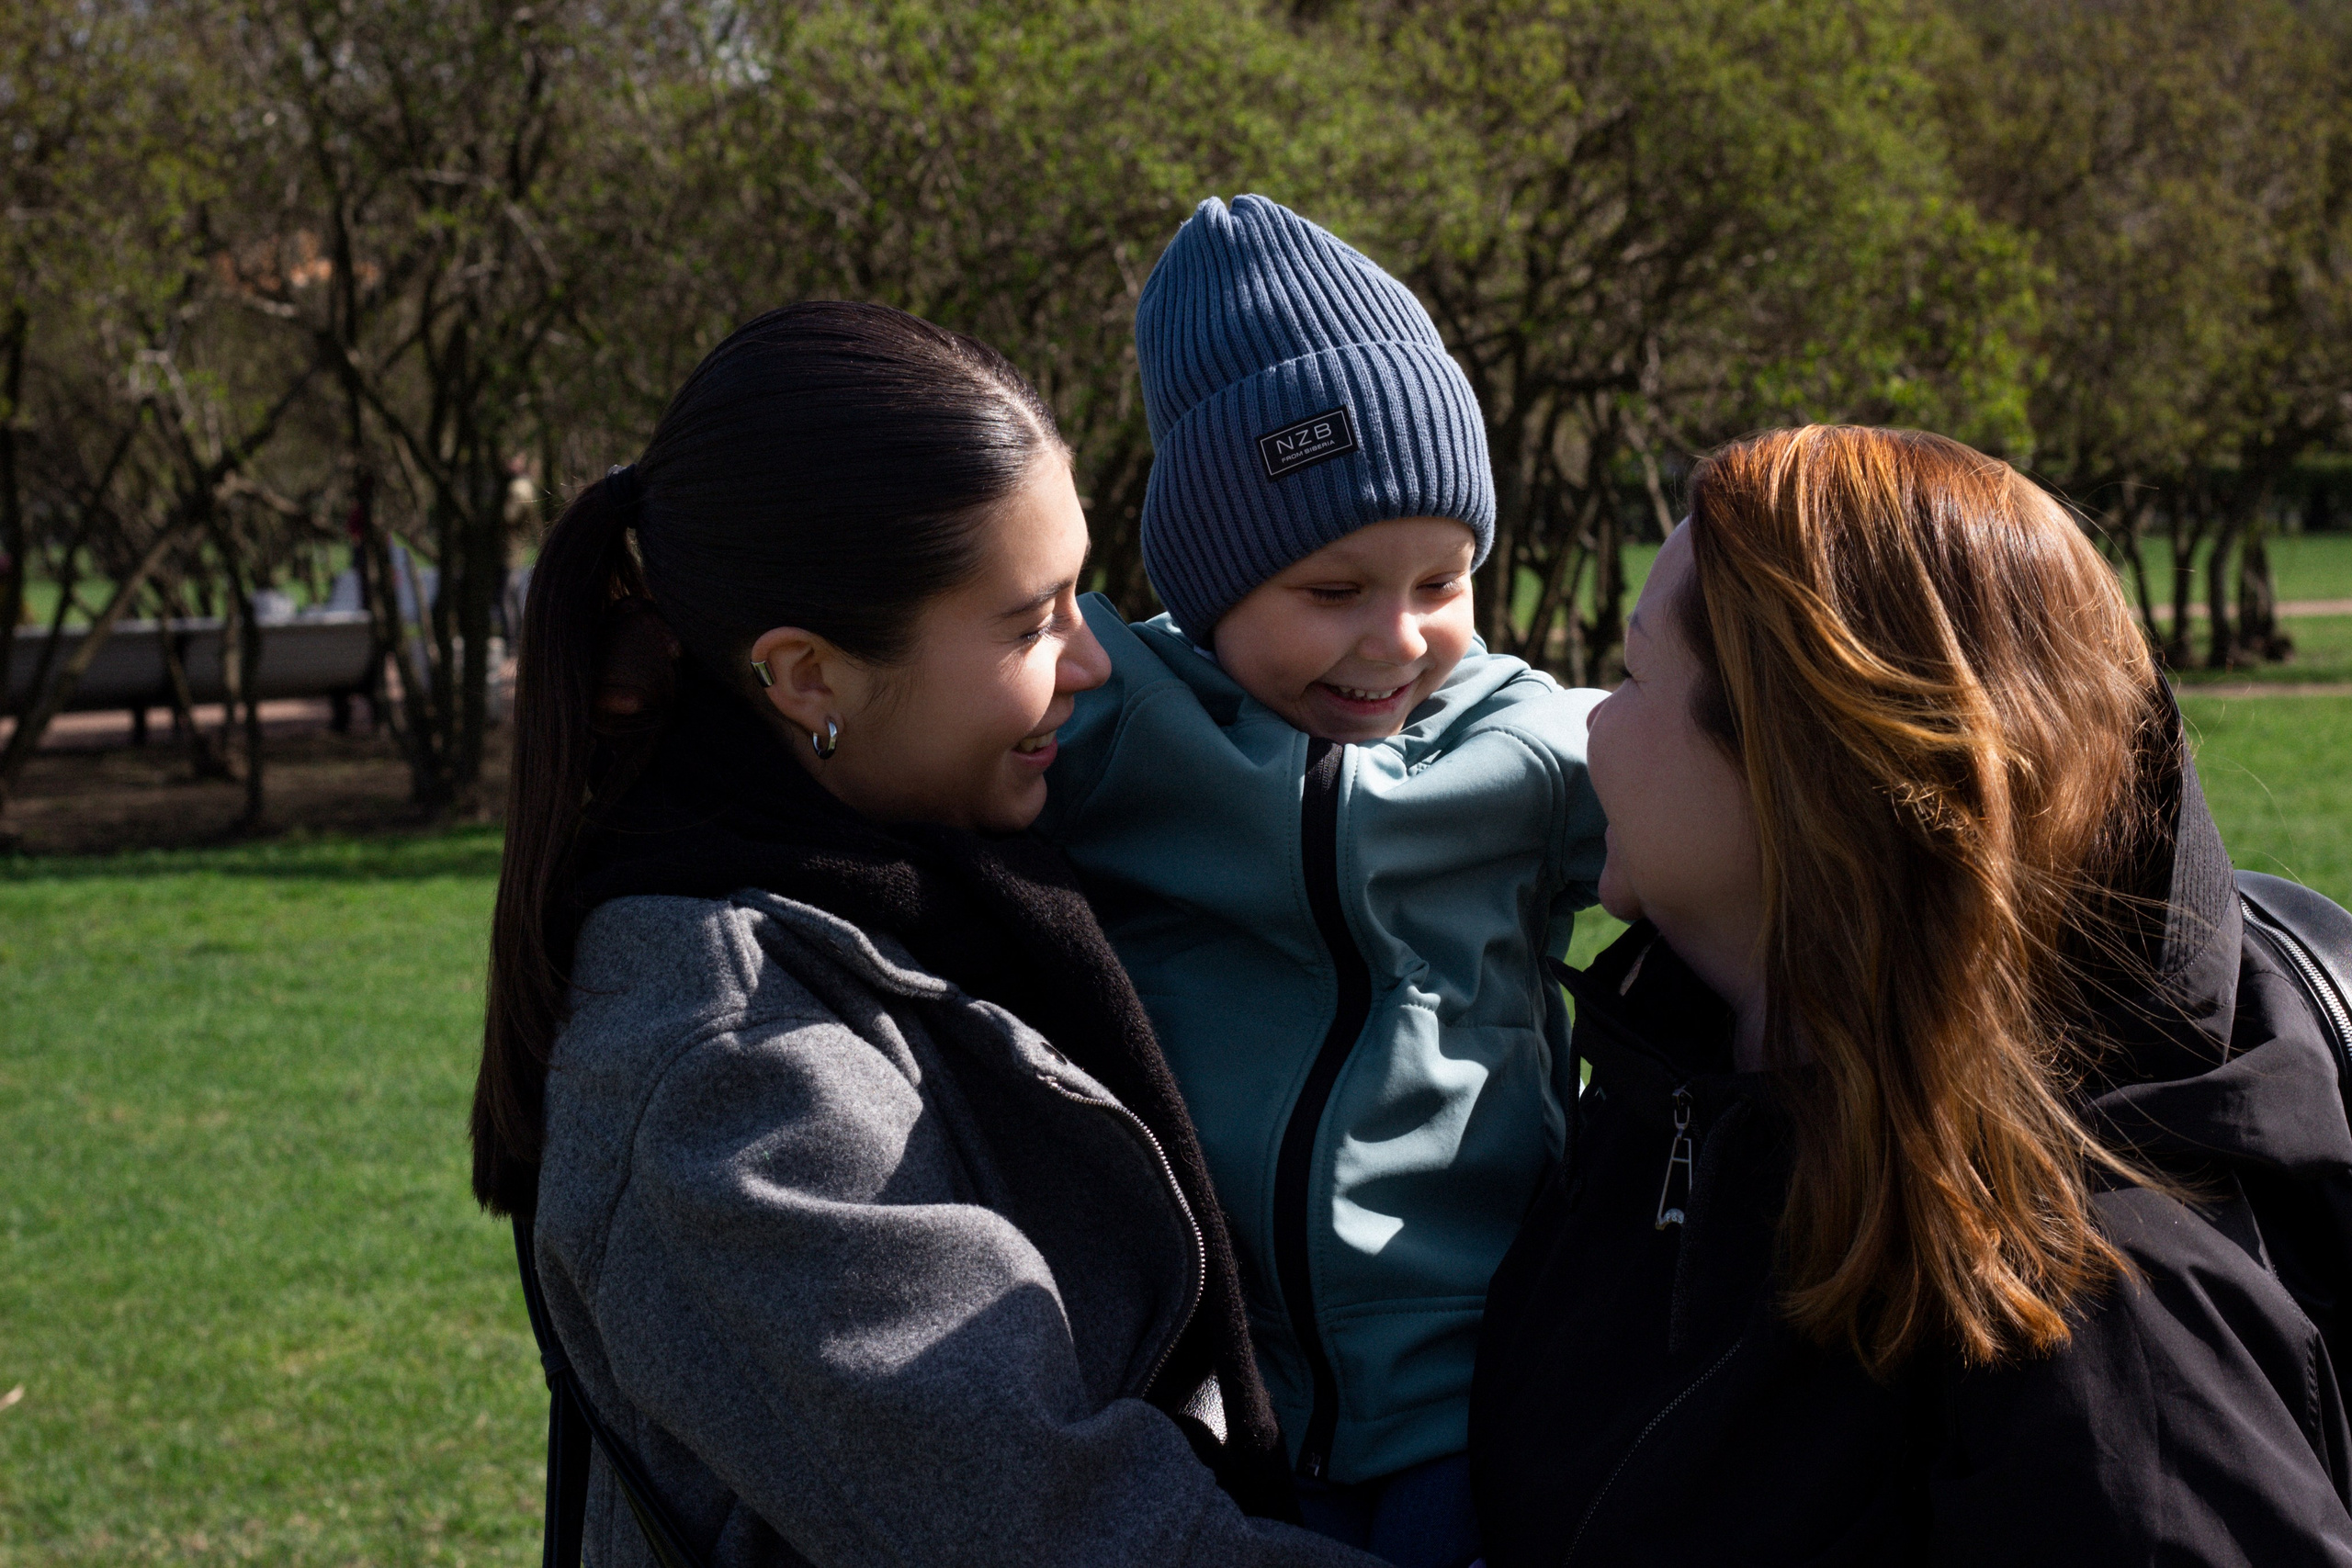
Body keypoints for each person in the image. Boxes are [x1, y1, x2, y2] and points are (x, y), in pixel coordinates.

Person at [469, 301, 1385, 1568]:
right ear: (807, 676)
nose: (1090, 662)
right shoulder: (732, 1071)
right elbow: (1070, 1534)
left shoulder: (954, 884)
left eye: (1079, 595)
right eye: (1029, 621)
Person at [1470, 424, 2352, 1566]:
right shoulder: (1659, 1109)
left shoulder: (2100, 1328)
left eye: (1635, 674)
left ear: (1802, 773)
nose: (1590, 719)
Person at [1033, 196, 1609, 1568]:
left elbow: (1749, 816)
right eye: (1333, 586)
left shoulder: (1526, 744)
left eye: (1442, 576)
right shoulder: (1115, 727)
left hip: (1478, 1391)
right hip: (1211, 1392)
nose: (1396, 636)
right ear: (1211, 581)